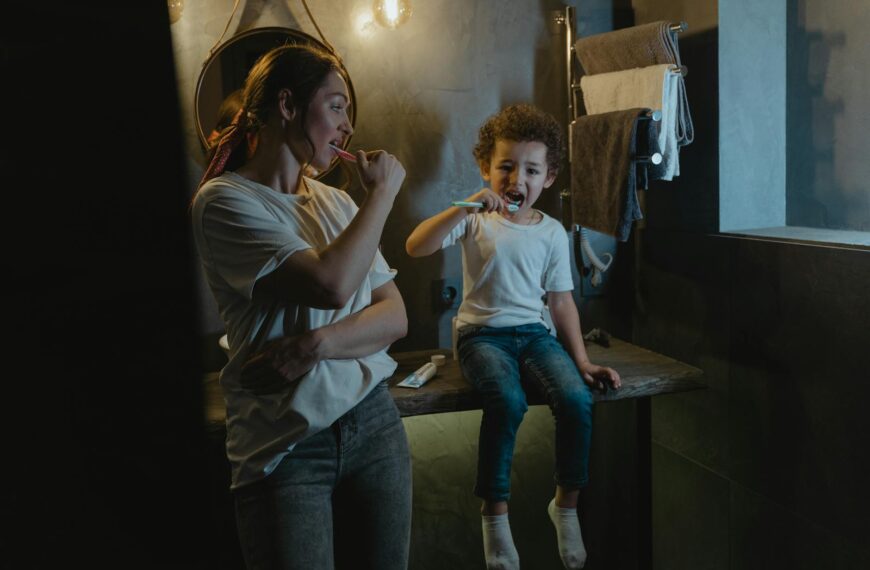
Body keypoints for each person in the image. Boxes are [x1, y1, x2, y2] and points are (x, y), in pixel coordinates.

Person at [191, 44, 411, 570]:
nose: (347, 125)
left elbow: (396, 316)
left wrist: (315, 345)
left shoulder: (336, 202)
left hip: (374, 424)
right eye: (336, 106)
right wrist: (382, 197)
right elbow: (330, 285)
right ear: (287, 105)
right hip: (286, 448)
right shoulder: (223, 201)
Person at [405, 103, 621, 570]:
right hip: (480, 337)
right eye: (505, 166)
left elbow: (561, 301)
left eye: (530, 169)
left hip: (535, 336)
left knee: (577, 400)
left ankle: (565, 506)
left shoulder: (551, 233)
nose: (515, 178)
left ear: (548, 178)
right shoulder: (476, 218)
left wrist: (581, 362)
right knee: (506, 400)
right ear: (486, 167)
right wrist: (463, 205)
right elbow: (415, 245)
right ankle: (495, 517)